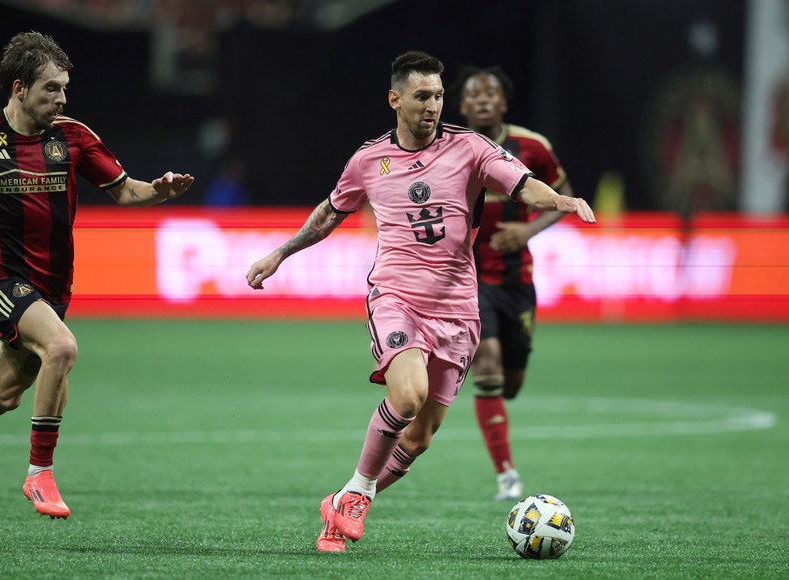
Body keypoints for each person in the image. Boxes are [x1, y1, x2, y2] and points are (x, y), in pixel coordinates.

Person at [245, 51, 594, 552]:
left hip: (458, 309)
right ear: (395, 99)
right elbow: (329, 212)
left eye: (438, 96)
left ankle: (340, 504)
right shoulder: (369, 160)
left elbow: (522, 185)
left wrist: (560, 201)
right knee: (406, 397)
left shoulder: (470, 148)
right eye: (422, 96)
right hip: (397, 296)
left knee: (419, 438)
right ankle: (360, 495)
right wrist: (281, 252)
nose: (433, 105)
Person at [0, 31, 194, 519]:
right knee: (62, 347)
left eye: (65, 88)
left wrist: (160, 190)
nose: (62, 98)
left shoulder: (73, 136)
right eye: (51, 88)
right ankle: (38, 474)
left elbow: (125, 192)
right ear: (20, 88)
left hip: (53, 285)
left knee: (3, 395)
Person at [456, 65, 575, 500]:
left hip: (517, 281)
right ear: (463, 105)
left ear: (503, 103)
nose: (483, 99)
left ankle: (498, 429)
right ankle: (507, 475)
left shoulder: (532, 147)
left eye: (491, 93)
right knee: (486, 361)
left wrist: (525, 231)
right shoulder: (449, 149)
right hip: (468, 278)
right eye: (474, 93)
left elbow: (561, 198)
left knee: (511, 384)